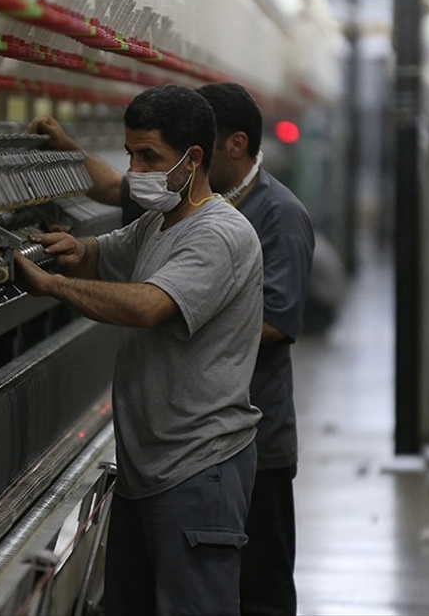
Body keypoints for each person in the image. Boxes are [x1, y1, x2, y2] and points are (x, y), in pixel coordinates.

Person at [29, 82, 316, 616]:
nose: (135, 169)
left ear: (194, 158)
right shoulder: (160, 223)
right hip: (150, 468)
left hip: (197, 468)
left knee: (237, 597)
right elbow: (102, 254)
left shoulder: (223, 232)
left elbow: (145, 307)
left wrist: (53, 287)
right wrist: (71, 250)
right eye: (131, 154)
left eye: (148, 157)